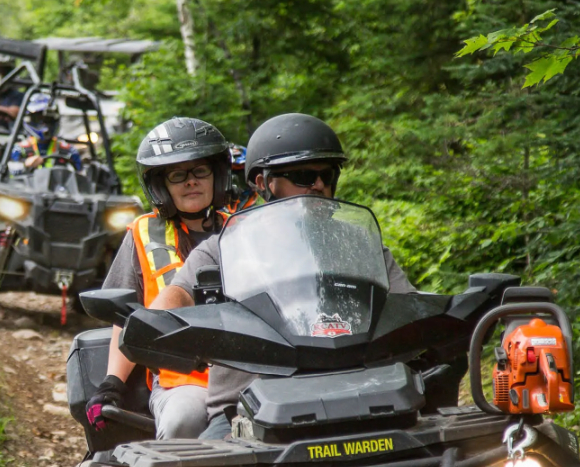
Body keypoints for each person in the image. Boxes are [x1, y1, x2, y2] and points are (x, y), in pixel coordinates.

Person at [146, 113, 417, 440]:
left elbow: (410, 305)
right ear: (262, 183)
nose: (317, 185)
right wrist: (163, 324)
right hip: (244, 407)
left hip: (361, 392)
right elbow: (174, 298)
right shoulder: (226, 248)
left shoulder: (357, 243)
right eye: (302, 176)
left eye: (326, 175)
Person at [85, 117, 234, 439]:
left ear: (218, 175)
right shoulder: (143, 233)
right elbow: (123, 314)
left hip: (251, 371)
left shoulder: (244, 228)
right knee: (184, 419)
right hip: (184, 378)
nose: (190, 182)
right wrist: (112, 382)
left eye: (200, 171)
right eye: (177, 175)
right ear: (161, 186)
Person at [10, 93, 82, 172]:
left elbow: (80, 175)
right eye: (39, 119)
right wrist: (25, 164)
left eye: (48, 120)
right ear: (30, 119)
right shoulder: (19, 149)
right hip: (26, 184)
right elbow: (9, 174)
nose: (44, 124)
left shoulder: (68, 150)